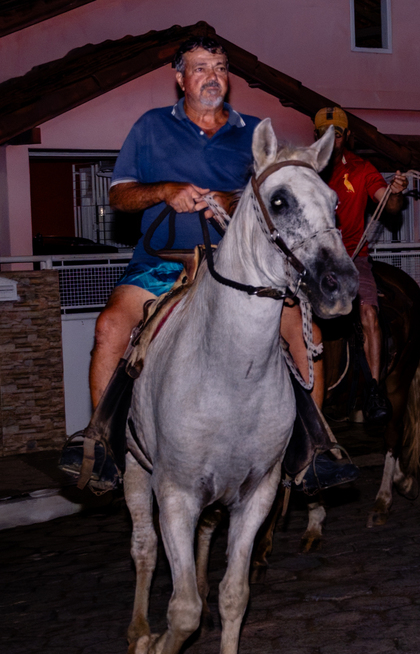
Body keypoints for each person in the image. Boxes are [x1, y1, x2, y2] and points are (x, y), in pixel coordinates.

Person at [61, 36, 355, 492]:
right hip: (162, 263)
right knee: (109, 328)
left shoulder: (257, 133)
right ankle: (102, 444)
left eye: (219, 67)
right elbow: (119, 194)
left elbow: (281, 197)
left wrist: (230, 199)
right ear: (180, 78)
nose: (212, 77)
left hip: (243, 270)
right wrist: (165, 190)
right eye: (200, 68)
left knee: (307, 333)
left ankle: (311, 449)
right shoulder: (150, 126)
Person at [313, 107, 408, 423]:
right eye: (325, 133)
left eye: (337, 134)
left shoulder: (362, 168)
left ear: (346, 137)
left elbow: (389, 205)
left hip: (354, 259)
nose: (332, 138)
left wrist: (395, 193)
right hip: (315, 263)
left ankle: (374, 391)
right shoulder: (305, 169)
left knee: (369, 313)